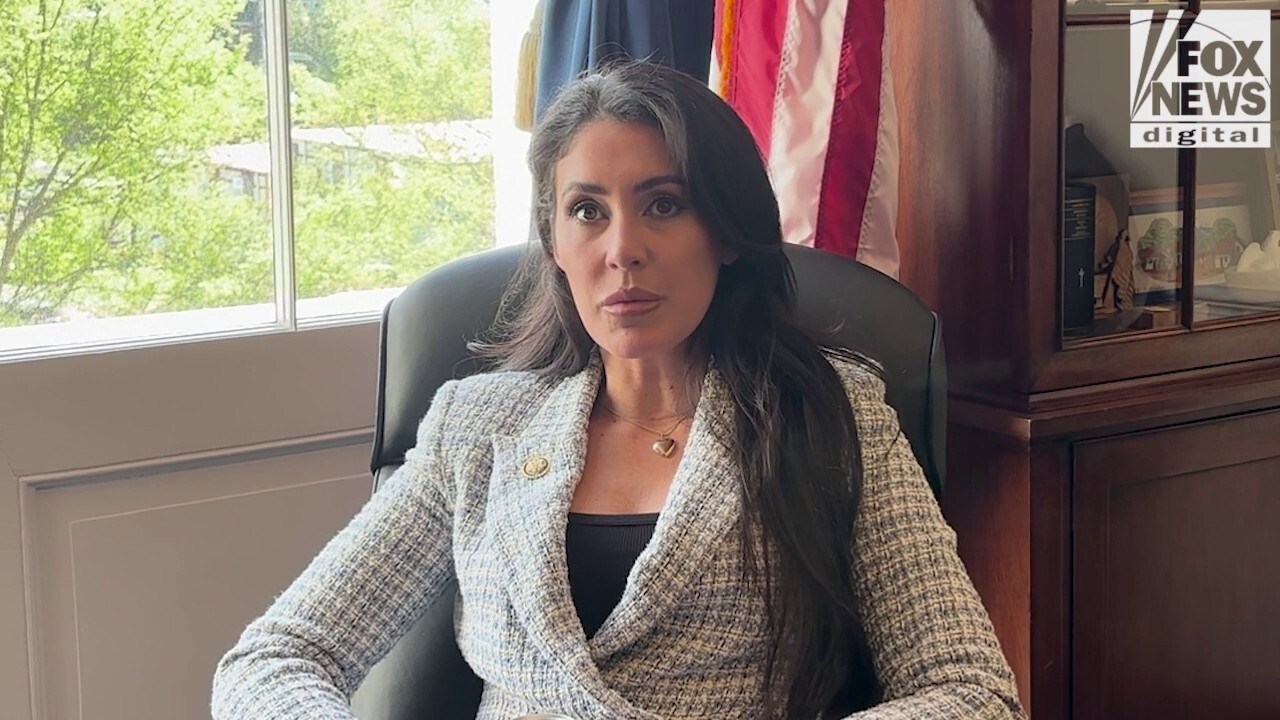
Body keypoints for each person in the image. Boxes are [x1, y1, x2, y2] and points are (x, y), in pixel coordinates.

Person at [211, 61, 1025, 720]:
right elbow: (276, 658)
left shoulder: (834, 416)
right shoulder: (477, 427)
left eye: (663, 205)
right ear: (554, 242)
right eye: (587, 211)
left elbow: (971, 693)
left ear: (726, 232)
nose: (623, 249)